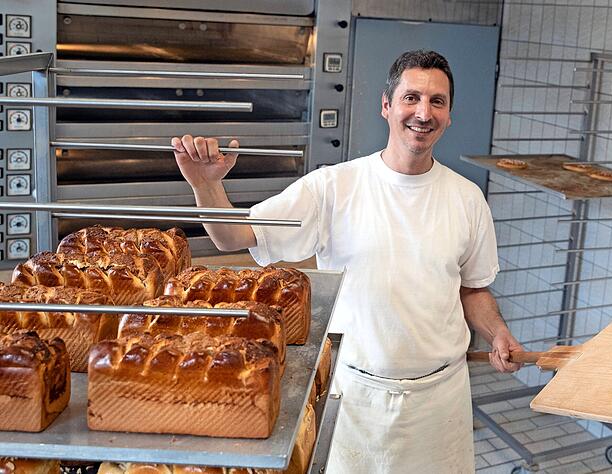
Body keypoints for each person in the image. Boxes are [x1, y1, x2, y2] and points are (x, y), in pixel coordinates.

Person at [172, 49, 522, 473]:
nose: (423, 113)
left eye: (437, 102)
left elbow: (473, 288)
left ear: (449, 115)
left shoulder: (467, 199)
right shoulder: (334, 187)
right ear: (386, 105)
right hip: (355, 395)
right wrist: (206, 188)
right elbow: (234, 237)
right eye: (411, 98)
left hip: (440, 400)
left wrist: (498, 331)